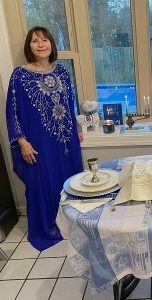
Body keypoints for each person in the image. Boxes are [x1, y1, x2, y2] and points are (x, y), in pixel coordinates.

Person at [6, 26, 83, 251]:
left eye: (45, 40)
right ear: (29, 47)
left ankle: (73, 223)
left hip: (65, 141)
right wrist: (22, 141)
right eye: (35, 41)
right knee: (44, 182)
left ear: (51, 44)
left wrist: (75, 128)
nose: (41, 44)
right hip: (38, 143)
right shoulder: (20, 75)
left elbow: (70, 104)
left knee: (68, 179)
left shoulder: (62, 72)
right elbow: (12, 111)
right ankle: (48, 227)